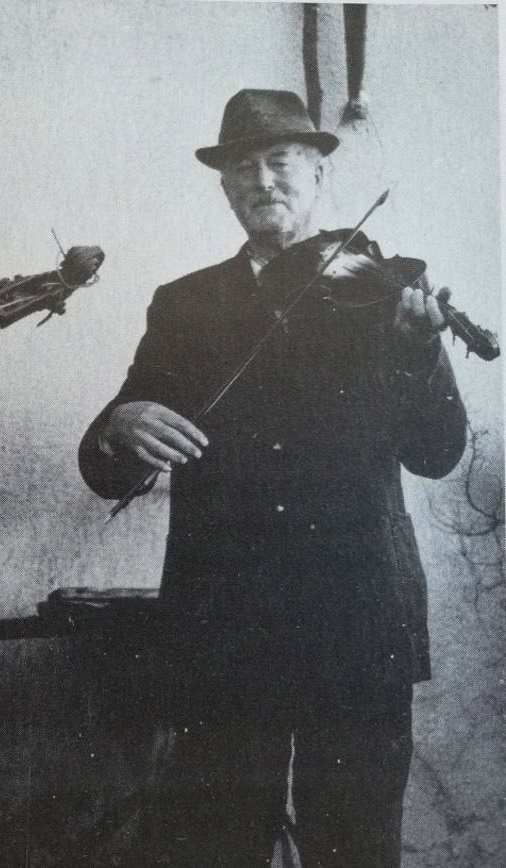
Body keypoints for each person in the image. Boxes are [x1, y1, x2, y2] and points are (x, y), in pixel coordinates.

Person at [78, 90, 466, 868]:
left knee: (356, 846)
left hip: (357, 617)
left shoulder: (384, 291)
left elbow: (437, 452)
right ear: (225, 187)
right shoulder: (185, 305)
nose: (262, 181)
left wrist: (418, 354)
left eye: (281, 161)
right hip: (225, 626)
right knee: (212, 844)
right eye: (243, 168)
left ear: (319, 172)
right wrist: (119, 425)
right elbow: (104, 463)